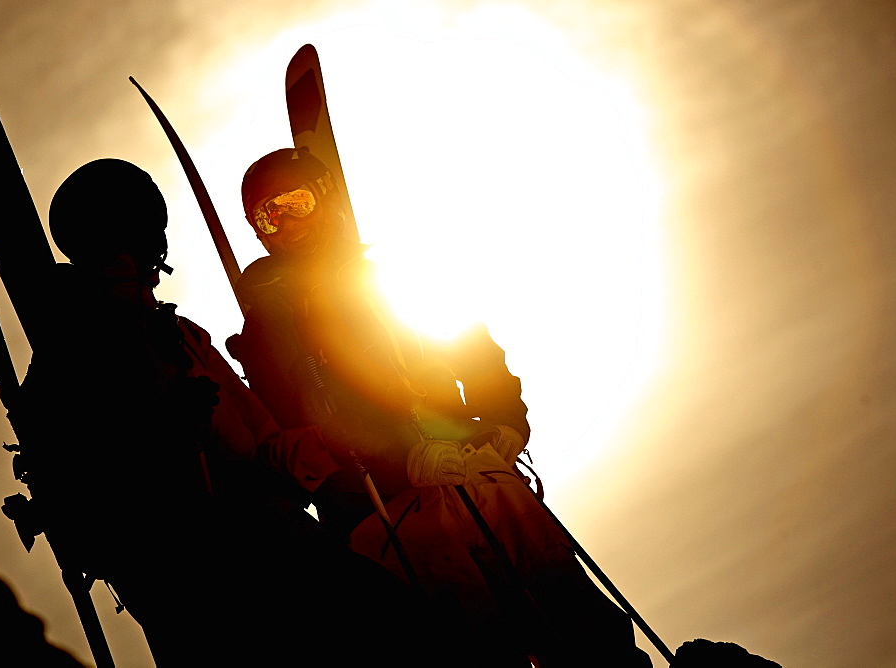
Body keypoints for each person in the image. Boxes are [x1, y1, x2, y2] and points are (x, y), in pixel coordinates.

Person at [227, 147, 654, 667]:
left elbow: (468, 344)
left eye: (295, 203)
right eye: (266, 217)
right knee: (470, 644)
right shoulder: (272, 318)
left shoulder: (388, 278)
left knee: (578, 621)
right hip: (384, 508)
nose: (284, 224)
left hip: (473, 474)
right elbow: (299, 418)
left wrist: (502, 421)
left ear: (326, 197)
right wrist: (389, 457)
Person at [19, 158, 416, 666]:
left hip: (274, 543)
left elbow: (266, 442)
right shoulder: (70, 354)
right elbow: (80, 495)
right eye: (115, 247)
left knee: (400, 622)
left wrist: (347, 447)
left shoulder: (182, 337)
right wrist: (161, 436)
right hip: (193, 582)